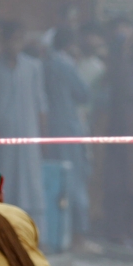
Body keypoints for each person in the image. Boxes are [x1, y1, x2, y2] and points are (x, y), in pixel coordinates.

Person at [0, 21, 49, 227]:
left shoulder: (33, 67)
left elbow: (41, 102)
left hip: (29, 135)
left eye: (19, 40)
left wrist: (43, 136)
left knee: (31, 185)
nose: (15, 45)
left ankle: (34, 233)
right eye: (11, 40)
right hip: (2, 135)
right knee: (3, 181)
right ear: (4, 41)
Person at [44, 27, 91, 250]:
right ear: (71, 45)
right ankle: (78, 236)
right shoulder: (66, 65)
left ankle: (59, 234)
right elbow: (84, 93)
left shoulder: (44, 64)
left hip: (49, 130)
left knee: (55, 181)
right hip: (69, 129)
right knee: (75, 182)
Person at [103, 20, 133, 244]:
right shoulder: (123, 70)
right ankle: (118, 230)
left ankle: (131, 230)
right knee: (120, 183)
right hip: (123, 134)